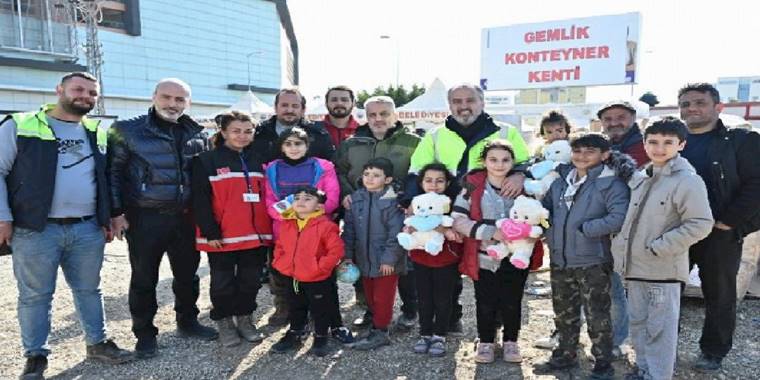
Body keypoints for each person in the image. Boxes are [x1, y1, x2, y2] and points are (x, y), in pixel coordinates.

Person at [0, 72, 133, 379]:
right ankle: (35, 355)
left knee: (89, 290)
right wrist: (3, 216)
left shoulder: (97, 131)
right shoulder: (20, 124)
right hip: (35, 229)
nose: (85, 96)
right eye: (78, 89)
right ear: (59, 89)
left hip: (87, 229)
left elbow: (104, 179)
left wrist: (109, 215)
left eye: (92, 93)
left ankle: (97, 343)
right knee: (35, 295)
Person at [406, 83, 531, 334]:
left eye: (470, 100)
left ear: (482, 102)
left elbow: (526, 162)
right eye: (457, 101)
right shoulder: (434, 135)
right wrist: (411, 203)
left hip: (490, 213)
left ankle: (493, 327)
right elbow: (415, 172)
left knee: (490, 271)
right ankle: (450, 318)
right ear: (450, 106)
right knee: (447, 269)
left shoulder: (506, 131)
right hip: (446, 213)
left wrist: (520, 174)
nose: (464, 106)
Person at [108, 78, 217, 359]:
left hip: (185, 217)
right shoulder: (127, 130)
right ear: (154, 97)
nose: (173, 104)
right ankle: (144, 334)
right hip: (146, 218)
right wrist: (117, 213)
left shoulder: (198, 135)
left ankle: (188, 321)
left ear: (188, 103)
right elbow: (113, 174)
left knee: (187, 275)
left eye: (180, 99)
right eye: (167, 97)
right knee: (144, 278)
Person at [612, 117, 714, 380]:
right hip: (634, 269)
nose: (659, 148)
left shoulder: (687, 181)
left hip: (662, 271)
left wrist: (659, 247)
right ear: (645, 143)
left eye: (668, 142)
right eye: (654, 142)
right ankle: (644, 370)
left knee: (660, 331)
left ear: (681, 144)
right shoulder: (644, 177)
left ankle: (658, 375)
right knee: (639, 326)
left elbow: (701, 223)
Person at [535, 133, 633, 380]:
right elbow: (545, 210)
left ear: (605, 155)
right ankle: (565, 355)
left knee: (597, 314)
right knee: (563, 311)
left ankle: (603, 363)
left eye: (590, 151)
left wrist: (586, 230)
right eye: (577, 151)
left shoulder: (611, 183)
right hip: (560, 259)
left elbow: (619, 217)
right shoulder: (559, 182)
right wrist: (545, 228)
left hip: (593, 261)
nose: (582, 156)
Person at [677, 83, 760, 372]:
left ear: (718, 107)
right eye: (686, 104)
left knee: (720, 295)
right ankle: (663, 344)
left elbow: (756, 184)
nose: (692, 109)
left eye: (700, 102)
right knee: (668, 291)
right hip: (677, 232)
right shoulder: (674, 140)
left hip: (719, 232)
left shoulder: (741, 140)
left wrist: (731, 221)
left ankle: (713, 351)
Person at [335, 96, 421, 329]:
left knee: (402, 261)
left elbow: (420, 172)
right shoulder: (351, 144)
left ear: (395, 115)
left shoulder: (414, 142)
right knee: (364, 257)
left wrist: (409, 198)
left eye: (384, 113)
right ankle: (370, 309)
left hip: (398, 210)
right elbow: (340, 172)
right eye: (372, 114)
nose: (378, 119)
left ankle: (410, 310)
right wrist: (346, 193)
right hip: (359, 209)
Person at [191, 111, 273, 347]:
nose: (242, 136)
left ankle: (245, 319)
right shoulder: (206, 160)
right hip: (223, 236)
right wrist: (210, 232)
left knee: (250, 281)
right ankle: (225, 321)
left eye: (248, 131)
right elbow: (200, 200)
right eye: (236, 130)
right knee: (222, 283)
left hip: (255, 236)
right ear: (223, 132)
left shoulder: (259, 159)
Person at [262, 127, 352, 344]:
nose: (294, 148)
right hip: (288, 231)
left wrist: (307, 213)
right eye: (288, 144)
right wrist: (292, 215)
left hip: (318, 231)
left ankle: (334, 325)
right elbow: (269, 203)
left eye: (298, 143)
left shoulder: (323, 166)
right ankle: (297, 327)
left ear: (306, 145)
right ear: (281, 147)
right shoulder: (273, 169)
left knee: (325, 287)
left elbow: (331, 198)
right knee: (294, 289)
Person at [451, 140, 530, 364]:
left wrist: (529, 232)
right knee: (485, 300)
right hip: (483, 257)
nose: (499, 164)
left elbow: (539, 216)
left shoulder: (524, 186)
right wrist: (491, 232)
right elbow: (458, 219)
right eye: (493, 159)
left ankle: (511, 342)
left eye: (505, 160)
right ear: (484, 161)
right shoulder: (472, 185)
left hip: (516, 256)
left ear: (513, 162)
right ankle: (485, 341)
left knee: (513, 300)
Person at [269, 187, 344, 357]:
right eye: (297, 198)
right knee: (295, 305)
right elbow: (280, 246)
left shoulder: (326, 226)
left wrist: (320, 268)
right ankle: (295, 331)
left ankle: (321, 335)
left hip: (317, 278)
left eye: (307, 198)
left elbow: (335, 250)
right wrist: (281, 263)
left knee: (320, 308)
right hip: (293, 275)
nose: (301, 201)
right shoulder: (287, 224)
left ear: (319, 207)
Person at [342, 158, 405, 350]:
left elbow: (396, 234)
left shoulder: (393, 202)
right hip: (363, 258)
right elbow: (349, 230)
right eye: (367, 174)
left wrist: (389, 259)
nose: (369, 178)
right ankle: (375, 322)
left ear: (387, 179)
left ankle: (381, 331)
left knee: (383, 296)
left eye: (376, 175)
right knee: (369, 293)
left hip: (385, 260)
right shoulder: (356, 198)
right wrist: (348, 256)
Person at [408, 163, 463, 357]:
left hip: (446, 258)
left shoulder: (454, 204)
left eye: (440, 181)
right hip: (421, 257)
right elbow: (408, 224)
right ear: (421, 183)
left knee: (443, 298)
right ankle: (424, 333)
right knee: (423, 297)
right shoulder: (416, 203)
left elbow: (459, 231)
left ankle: (440, 334)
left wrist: (441, 229)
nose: (434, 185)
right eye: (428, 180)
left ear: (448, 183)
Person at [250, 87, 335, 162]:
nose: (290, 110)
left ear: (303, 110)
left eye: (295, 106)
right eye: (284, 105)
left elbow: (329, 167)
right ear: (275, 108)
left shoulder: (318, 135)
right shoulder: (259, 132)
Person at [597, 100, 649, 167]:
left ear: (633, 117)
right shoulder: (598, 145)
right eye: (608, 119)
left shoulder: (645, 145)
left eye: (621, 117)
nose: (614, 123)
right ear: (601, 122)